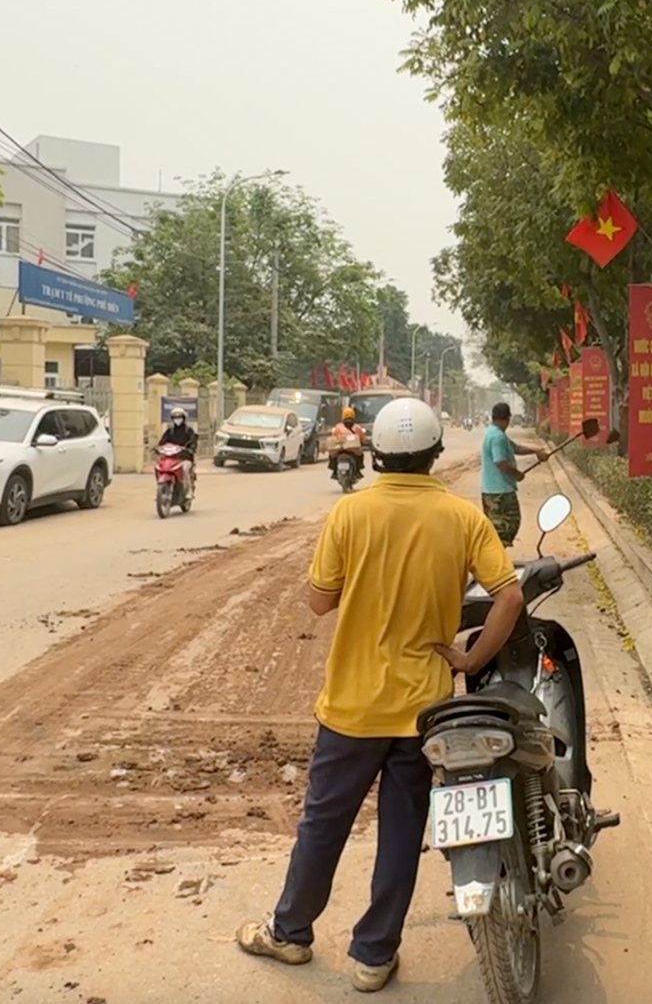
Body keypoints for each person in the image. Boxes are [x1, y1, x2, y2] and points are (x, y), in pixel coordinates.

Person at [236, 397, 523, 993]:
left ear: (375, 455)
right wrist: (471, 659)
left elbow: (320, 601)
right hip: (424, 712)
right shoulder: (463, 518)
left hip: (352, 706)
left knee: (324, 825)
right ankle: (374, 956)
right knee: (401, 832)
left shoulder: (350, 513)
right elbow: (510, 596)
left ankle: (290, 934)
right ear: (435, 453)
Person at [480, 401, 550, 547]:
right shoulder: (497, 437)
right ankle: (496, 556)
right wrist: (516, 474)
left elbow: (516, 448)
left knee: (497, 528)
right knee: (507, 526)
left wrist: (536, 451)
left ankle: (496, 555)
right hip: (500, 492)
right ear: (507, 419)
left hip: (492, 490)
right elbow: (501, 462)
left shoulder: (494, 432)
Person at [158, 408, 198, 498]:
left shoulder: (188, 431)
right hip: (171, 457)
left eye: (179, 417)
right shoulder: (170, 431)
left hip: (184, 458)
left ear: (184, 418)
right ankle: (161, 490)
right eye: (175, 418)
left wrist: (191, 448)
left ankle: (188, 491)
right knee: (160, 467)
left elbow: (193, 442)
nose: (177, 419)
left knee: (184, 469)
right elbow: (162, 442)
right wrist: (158, 448)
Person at [328, 407, 367, 480]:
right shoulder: (357, 427)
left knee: (332, 456)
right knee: (360, 455)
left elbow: (333, 438)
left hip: (340, 450)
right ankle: (358, 471)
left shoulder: (338, 427)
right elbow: (362, 439)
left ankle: (334, 472)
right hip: (352, 451)